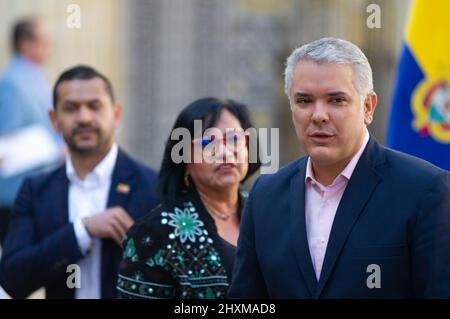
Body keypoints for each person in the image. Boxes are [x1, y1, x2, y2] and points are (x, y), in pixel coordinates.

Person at [229, 37, 450, 298]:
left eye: (336, 100)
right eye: (304, 101)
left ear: (367, 107)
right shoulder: (265, 195)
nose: (319, 115)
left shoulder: (424, 190)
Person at [0, 65, 159, 299]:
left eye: (94, 106)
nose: (84, 118)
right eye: (71, 108)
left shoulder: (153, 186)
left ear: (115, 114)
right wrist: (81, 231)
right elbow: (12, 279)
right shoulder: (36, 190)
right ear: (54, 120)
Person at [117, 98, 260, 299]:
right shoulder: (152, 235)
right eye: (207, 142)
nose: (224, 152)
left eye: (234, 139)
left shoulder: (269, 212)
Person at [0, 18, 61, 245]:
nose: (50, 47)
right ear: (24, 44)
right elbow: (6, 142)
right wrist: (55, 150)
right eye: (44, 41)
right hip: (15, 193)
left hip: (35, 188)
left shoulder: (35, 77)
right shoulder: (12, 83)